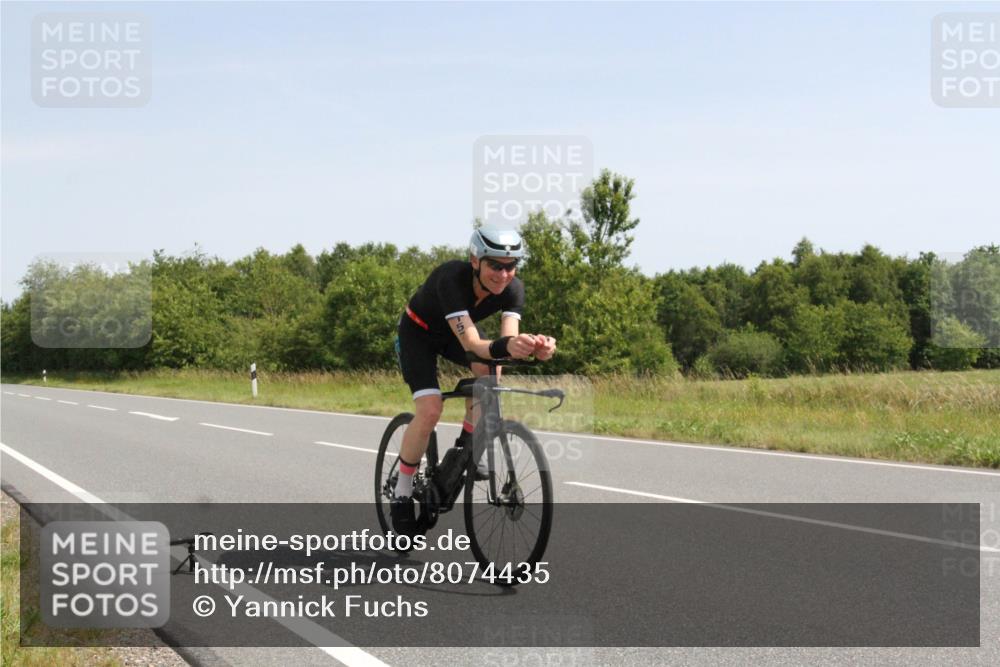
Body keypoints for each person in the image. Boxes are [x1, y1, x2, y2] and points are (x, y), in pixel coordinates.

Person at [392, 226, 557, 536]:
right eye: (495, 265)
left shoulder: (513, 289)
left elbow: (506, 343)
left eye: (511, 266)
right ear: (475, 260)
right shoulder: (451, 279)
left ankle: (466, 447)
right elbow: (471, 343)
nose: (504, 274)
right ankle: (401, 491)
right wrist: (507, 346)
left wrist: (535, 347)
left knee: (492, 373)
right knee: (430, 410)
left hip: (456, 335)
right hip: (419, 334)